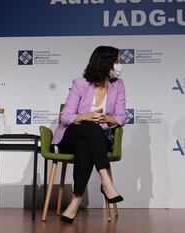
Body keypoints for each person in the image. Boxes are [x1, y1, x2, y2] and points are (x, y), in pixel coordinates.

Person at [52, 46, 126, 223]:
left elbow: (121, 117)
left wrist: (108, 119)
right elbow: (65, 117)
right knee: (89, 127)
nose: (119, 65)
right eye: (116, 61)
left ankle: (76, 200)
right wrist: (86, 116)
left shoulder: (118, 85)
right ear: (105, 63)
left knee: (85, 146)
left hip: (98, 140)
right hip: (72, 136)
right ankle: (105, 180)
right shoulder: (80, 84)